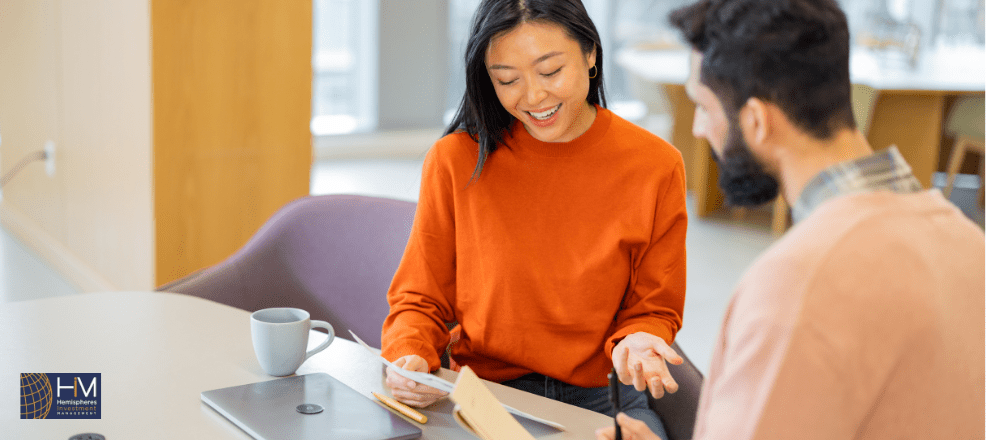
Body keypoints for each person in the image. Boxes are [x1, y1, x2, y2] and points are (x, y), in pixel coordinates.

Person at [596, 0, 986, 439]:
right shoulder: (969, 241)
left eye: (704, 107)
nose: (701, 129)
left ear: (757, 121)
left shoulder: (800, 280)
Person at [379, 0, 689, 437]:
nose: (533, 97)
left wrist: (640, 339)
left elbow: (653, 306)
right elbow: (419, 299)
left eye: (549, 71)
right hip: (486, 393)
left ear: (590, 53)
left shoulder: (655, 165)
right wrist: (410, 356)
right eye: (507, 79)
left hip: (601, 396)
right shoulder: (456, 160)